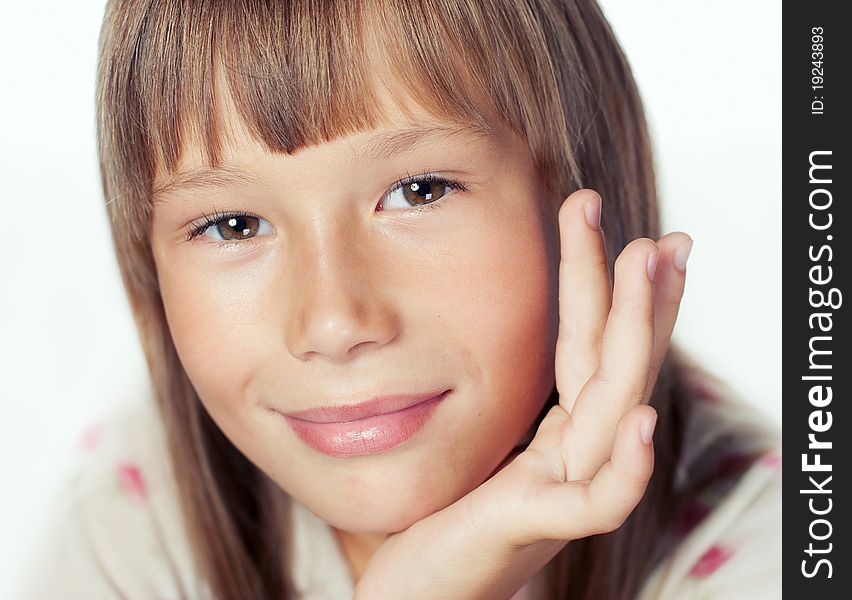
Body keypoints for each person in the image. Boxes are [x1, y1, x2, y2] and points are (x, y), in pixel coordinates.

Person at [18, 0, 781, 598]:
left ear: (586, 187)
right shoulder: (138, 511)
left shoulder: (772, 542)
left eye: (418, 191)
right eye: (233, 224)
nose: (332, 322)